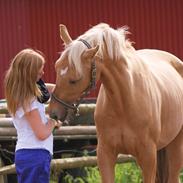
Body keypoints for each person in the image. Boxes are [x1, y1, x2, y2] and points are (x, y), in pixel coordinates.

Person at [4, 48, 62, 183]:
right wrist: (53, 121)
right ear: (29, 72)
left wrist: (63, 88)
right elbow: (41, 133)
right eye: (39, 69)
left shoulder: (21, 95)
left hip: (31, 154)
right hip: (35, 154)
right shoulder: (28, 100)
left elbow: (47, 88)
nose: (43, 72)